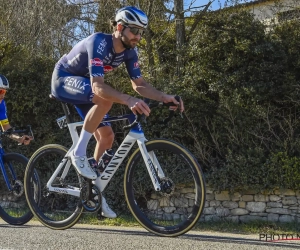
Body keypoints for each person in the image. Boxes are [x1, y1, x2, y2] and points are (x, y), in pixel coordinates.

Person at [51, 6, 184, 218]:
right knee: (105, 99)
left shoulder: (130, 52)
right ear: (120, 27)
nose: (138, 36)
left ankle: (94, 194)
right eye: (134, 31)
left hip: (85, 87)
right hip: (64, 79)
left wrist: (164, 96)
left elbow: (139, 84)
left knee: (107, 136)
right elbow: (97, 86)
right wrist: (128, 100)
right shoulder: (99, 43)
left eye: (141, 32)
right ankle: (78, 153)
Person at [0, 75, 33, 145]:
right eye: (1, 91)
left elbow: (6, 128)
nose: (3, 96)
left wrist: (19, 138)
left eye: (4, 92)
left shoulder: (1, 104)